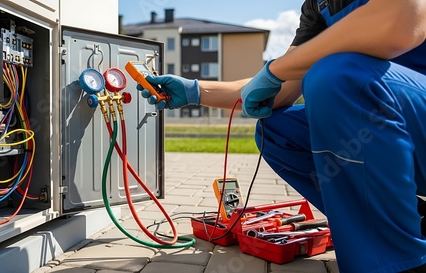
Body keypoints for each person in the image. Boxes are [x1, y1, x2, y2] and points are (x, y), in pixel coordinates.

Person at [137, 0, 426, 272]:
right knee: (276, 129)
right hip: (392, 133)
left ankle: (400, 261)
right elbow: (279, 87)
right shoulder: (318, 6)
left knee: (337, 77)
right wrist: (194, 91)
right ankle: (406, 221)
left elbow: (399, 21)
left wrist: (276, 70)